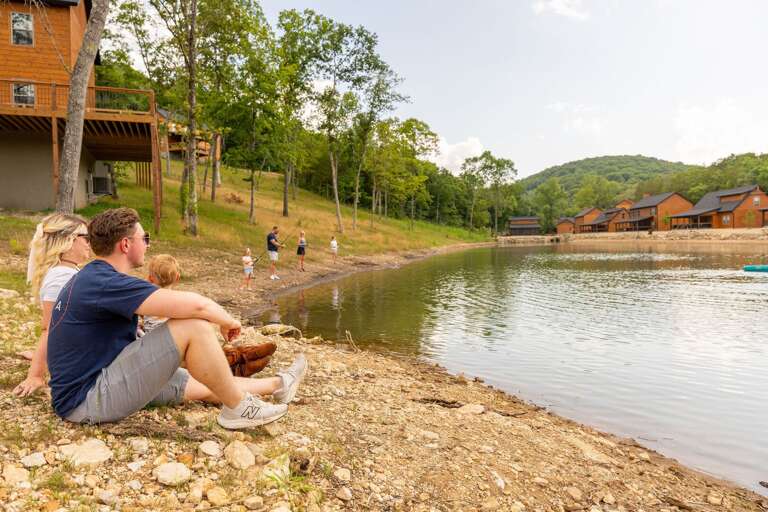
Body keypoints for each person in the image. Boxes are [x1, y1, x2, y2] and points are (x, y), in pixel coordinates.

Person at [46, 207, 307, 428]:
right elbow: (197, 307)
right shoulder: (104, 282)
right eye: (144, 238)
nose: (147, 244)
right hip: (87, 399)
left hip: (92, 386)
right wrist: (228, 321)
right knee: (194, 327)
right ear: (125, 244)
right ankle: (238, 409)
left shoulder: (96, 277)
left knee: (204, 382)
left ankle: (279, 384)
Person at [14, 213, 91, 397]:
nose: (90, 242)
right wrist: (36, 374)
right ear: (68, 240)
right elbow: (50, 327)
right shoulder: (61, 277)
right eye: (86, 238)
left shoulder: (69, 270)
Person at [142, 254, 181, 335]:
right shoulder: (177, 300)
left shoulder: (146, 296)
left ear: (150, 278)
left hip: (148, 337)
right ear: (177, 278)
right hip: (170, 337)